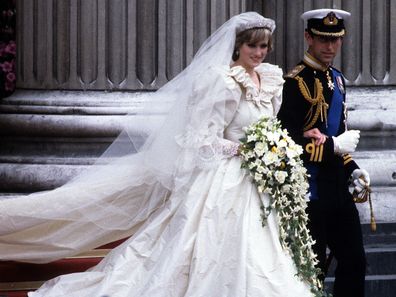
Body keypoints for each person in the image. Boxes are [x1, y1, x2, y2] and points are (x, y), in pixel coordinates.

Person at [0, 12, 318, 296]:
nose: (259, 54)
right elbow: (204, 140)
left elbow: (270, 125)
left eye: (264, 47)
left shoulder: (271, 79)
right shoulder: (222, 82)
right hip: (226, 176)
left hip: (260, 177)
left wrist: (276, 149)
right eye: (253, 47)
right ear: (238, 47)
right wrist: (247, 151)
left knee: (265, 250)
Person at [278, 8, 370, 297]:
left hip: (338, 191)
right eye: (323, 40)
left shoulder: (339, 79)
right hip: (309, 190)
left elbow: (338, 134)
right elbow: (284, 142)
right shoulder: (294, 82)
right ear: (308, 37)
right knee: (311, 269)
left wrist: (352, 167)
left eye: (336, 40)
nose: (330, 47)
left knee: (355, 262)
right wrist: (331, 147)